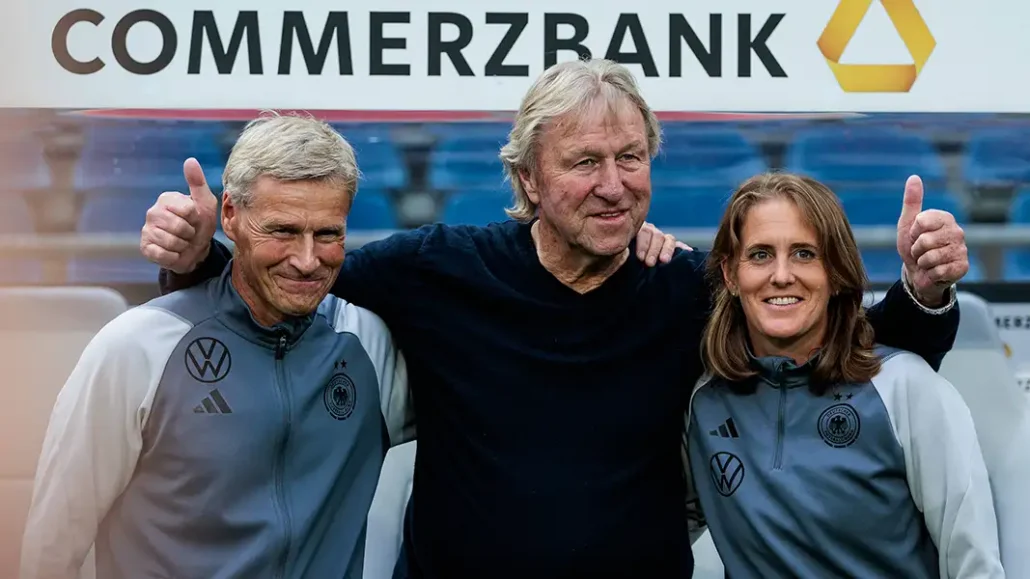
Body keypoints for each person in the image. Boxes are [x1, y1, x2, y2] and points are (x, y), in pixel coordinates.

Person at [142, 59, 971, 578]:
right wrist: (193, 255)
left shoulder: (683, 286)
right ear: (530, 180)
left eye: (630, 158)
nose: (613, 184)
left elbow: (846, 344)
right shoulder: (440, 267)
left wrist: (923, 289)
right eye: (583, 163)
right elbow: (293, 279)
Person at [21, 114, 415, 578]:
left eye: (327, 234)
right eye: (283, 231)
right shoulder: (138, 347)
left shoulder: (369, 345)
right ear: (230, 215)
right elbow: (52, 545)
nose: (308, 260)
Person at [684, 173, 1003, 578]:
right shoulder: (703, 401)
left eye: (804, 254)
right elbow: (658, 527)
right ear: (730, 275)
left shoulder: (905, 387)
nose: (781, 275)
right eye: (761, 254)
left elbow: (973, 561)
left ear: (835, 273)